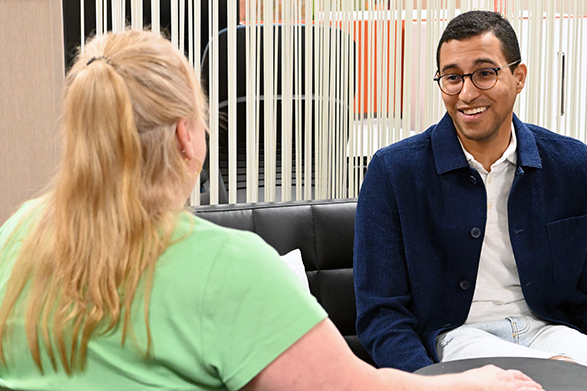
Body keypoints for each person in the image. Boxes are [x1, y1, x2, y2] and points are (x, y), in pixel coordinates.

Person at [0, 29, 542, 391]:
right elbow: (355, 388)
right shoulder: (223, 265)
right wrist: (473, 381)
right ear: (189, 137)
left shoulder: (18, 235)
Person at [354, 9, 587, 374]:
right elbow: (381, 315)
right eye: (452, 77)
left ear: (519, 76)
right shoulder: (394, 172)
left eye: (484, 73)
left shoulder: (573, 164)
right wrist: (427, 382)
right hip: (457, 337)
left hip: (553, 332)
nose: (466, 93)